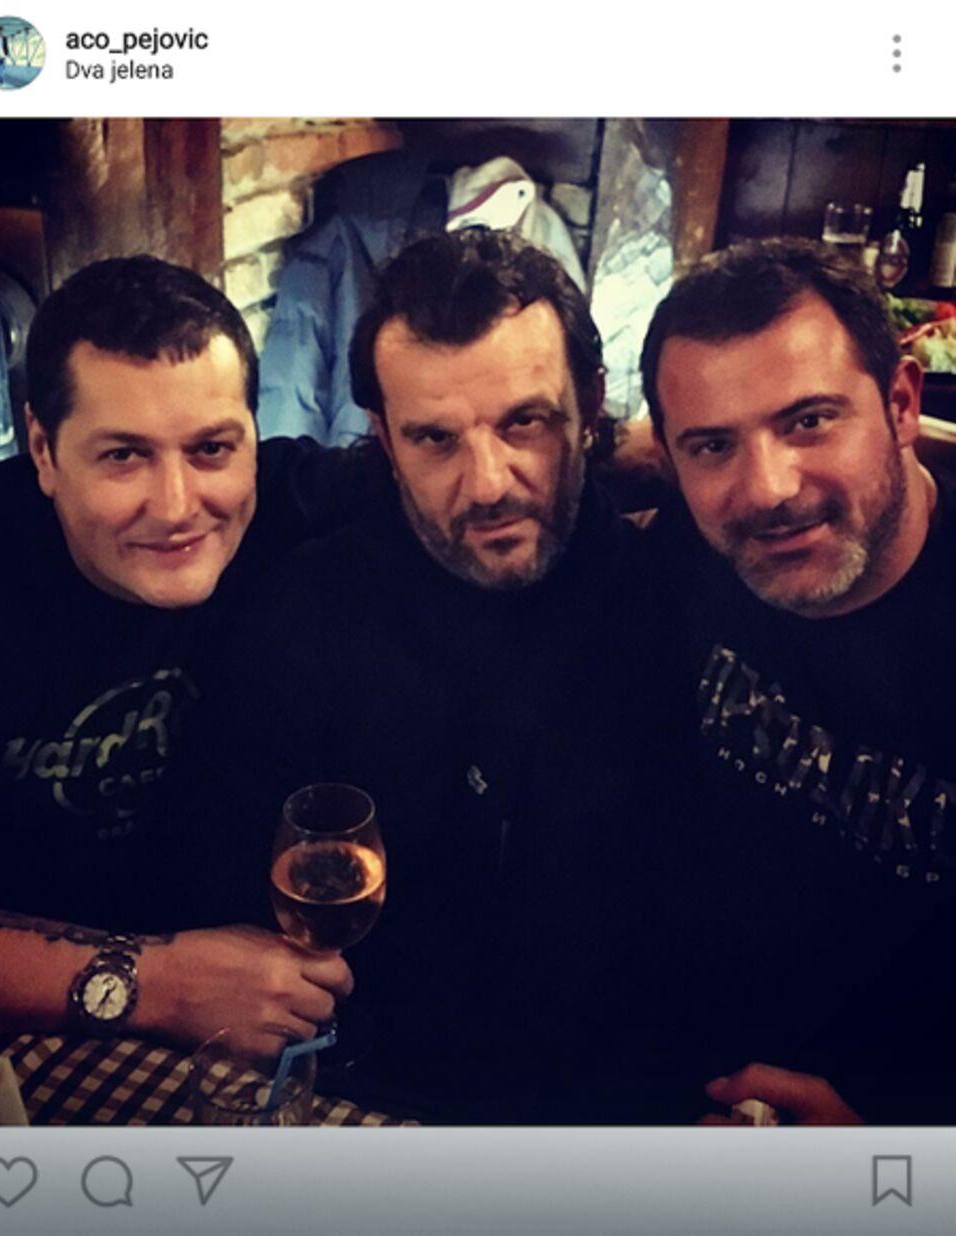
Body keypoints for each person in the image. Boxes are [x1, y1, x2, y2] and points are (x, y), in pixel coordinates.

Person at [188, 229, 684, 1122]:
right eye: (435, 439)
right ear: (384, 438)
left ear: (589, 404)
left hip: (615, 1111)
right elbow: (233, 901)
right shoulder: (302, 614)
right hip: (363, 1096)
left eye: (525, 422)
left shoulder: (677, 605)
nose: (488, 482)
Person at [0, 255, 386, 1059]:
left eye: (212, 448)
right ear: (43, 451)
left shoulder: (295, 503)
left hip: (258, 1011)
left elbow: (475, 479)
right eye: (124, 455)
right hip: (20, 1024)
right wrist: (152, 985)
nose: (179, 505)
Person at [638, 237, 956, 1123]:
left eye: (810, 421)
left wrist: (901, 1134)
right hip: (669, 1077)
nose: (768, 489)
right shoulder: (683, 552)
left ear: (901, 404)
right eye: (713, 445)